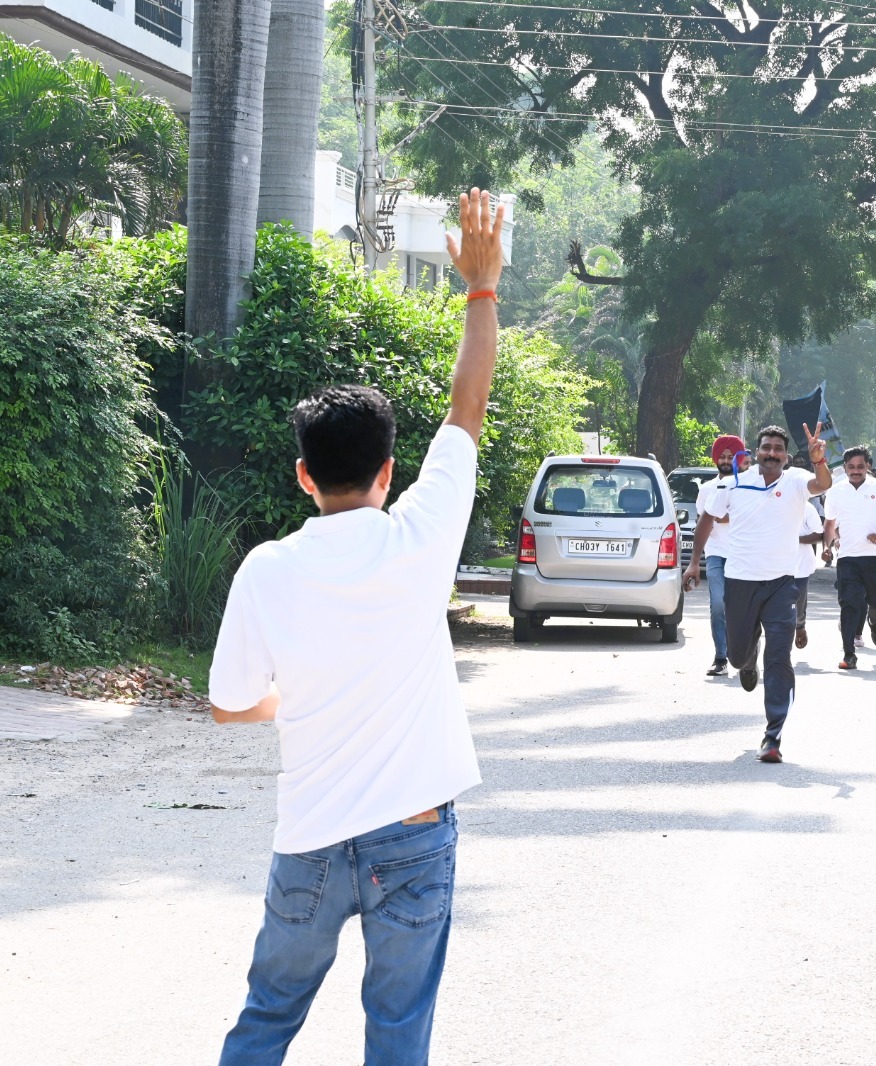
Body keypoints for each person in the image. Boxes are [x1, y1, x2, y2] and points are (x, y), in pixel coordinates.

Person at [208, 188, 506, 1065]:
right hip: (413, 835)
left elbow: (229, 706)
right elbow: (466, 409)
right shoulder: (419, 537)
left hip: (307, 843)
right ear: (387, 473)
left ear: (305, 478)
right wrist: (480, 288)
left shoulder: (267, 569)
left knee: (265, 1021)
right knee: (398, 1031)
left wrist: (290, 704)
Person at [684, 424, 831, 763]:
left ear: (786, 456)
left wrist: (819, 460)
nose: (772, 453)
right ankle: (747, 660)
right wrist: (695, 562)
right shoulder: (734, 482)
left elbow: (822, 484)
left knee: (779, 660)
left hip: (782, 583)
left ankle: (773, 735)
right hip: (740, 582)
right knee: (736, 657)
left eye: (779, 448)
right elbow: (707, 519)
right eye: (767, 447)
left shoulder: (796, 482)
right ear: (755, 451)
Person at [823, 446, 876, 670]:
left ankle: (874, 622)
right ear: (845, 468)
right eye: (851, 467)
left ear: (868, 466)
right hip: (847, 557)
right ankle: (849, 654)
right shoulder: (836, 491)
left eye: (860, 467)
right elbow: (830, 523)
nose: (856, 471)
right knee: (849, 604)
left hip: (875, 557)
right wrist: (829, 545)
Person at [695, 435, 748, 677]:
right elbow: (706, 520)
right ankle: (720, 656)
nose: (726, 461)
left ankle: (746, 653)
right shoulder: (706, 489)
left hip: (744, 554)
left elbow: (731, 517)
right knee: (718, 604)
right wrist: (694, 563)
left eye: (731, 457)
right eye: (722, 457)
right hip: (716, 553)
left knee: (744, 608)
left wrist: (722, 516)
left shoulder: (748, 485)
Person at [793, 498, 825, 649]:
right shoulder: (767, 503)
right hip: (772, 566)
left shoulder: (807, 508)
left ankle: (799, 625)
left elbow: (819, 535)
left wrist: (794, 540)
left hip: (800, 565)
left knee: (798, 599)